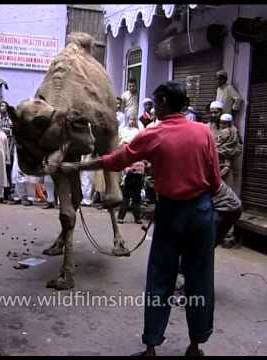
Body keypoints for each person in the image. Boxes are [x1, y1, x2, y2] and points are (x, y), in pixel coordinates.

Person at [61, 80, 221, 357]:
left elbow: (116, 160)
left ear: (163, 103)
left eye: (155, 102)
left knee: (160, 278)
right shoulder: (204, 132)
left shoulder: (154, 134)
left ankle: (151, 348)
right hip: (201, 212)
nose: (152, 107)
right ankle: (195, 346)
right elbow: (215, 181)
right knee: (201, 278)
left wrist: (78, 165)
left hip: (171, 213)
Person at [215, 113, 242, 187]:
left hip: (225, 151)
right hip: (231, 152)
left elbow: (220, 142)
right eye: (221, 122)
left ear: (229, 123)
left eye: (224, 123)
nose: (221, 124)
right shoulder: (234, 130)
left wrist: (214, 145)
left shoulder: (225, 131)